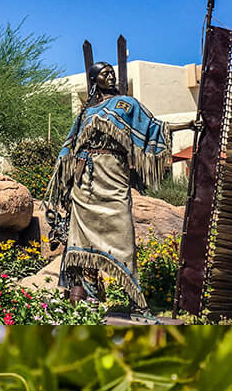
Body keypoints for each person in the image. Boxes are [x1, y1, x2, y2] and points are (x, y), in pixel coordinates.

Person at [45, 63, 170, 312]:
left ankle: (136, 300)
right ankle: (84, 298)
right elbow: (69, 147)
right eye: (104, 73)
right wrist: (65, 181)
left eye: (111, 72)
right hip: (85, 182)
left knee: (123, 234)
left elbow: (153, 128)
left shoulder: (127, 104)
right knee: (80, 242)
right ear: (94, 80)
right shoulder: (85, 112)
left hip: (113, 176)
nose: (110, 75)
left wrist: (187, 126)